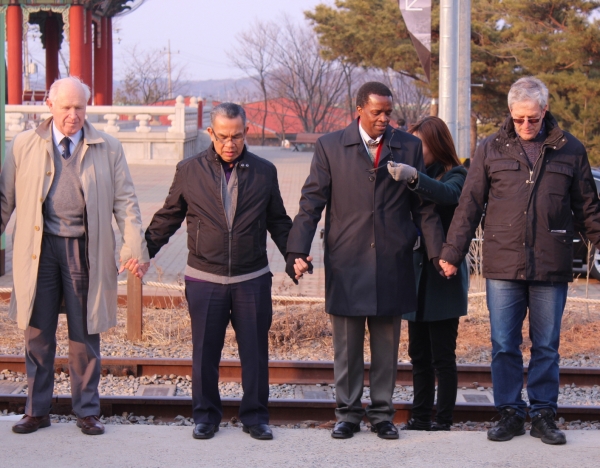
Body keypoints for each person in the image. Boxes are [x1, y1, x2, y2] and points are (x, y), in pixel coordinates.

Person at [439, 76, 600, 445]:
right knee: (504, 344)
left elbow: (588, 208)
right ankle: (509, 412)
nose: (526, 125)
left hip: (551, 263)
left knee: (546, 345)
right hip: (503, 264)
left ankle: (544, 413)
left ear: (545, 110)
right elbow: (469, 205)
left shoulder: (571, 150)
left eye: (532, 118)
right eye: (519, 118)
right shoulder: (490, 148)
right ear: (510, 114)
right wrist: (452, 252)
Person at [287, 82, 445, 440]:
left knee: (387, 346)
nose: (384, 119)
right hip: (348, 259)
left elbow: (425, 207)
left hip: (393, 259)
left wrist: (438, 253)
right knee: (347, 346)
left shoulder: (408, 145)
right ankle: (347, 413)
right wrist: (296, 250)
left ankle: (382, 414)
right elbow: (312, 201)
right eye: (377, 112)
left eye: (389, 113)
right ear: (358, 109)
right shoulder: (330, 146)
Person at [1, 76, 149, 436]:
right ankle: (37, 411)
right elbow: (5, 199)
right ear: (49, 106)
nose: (73, 115)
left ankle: (87, 410)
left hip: (85, 248)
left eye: (79, 107)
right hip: (39, 250)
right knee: (38, 332)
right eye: (65, 107)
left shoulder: (108, 147)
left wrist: (134, 247)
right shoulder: (23, 145)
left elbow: (126, 201)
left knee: (86, 333)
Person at [144, 103, 292, 441]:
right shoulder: (188, 170)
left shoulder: (264, 171)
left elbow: (279, 221)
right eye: (223, 136)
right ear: (211, 133)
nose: (230, 143)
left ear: (246, 132)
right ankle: (205, 416)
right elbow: (168, 217)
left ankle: (255, 417)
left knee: (254, 353)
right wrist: (144, 252)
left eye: (237, 136)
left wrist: (294, 255)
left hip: (251, 278)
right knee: (204, 353)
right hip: (204, 278)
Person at [388, 116, 468, 431]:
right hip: (416, 278)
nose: (415, 150)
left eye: (420, 144)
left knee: (443, 356)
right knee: (418, 355)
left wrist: (413, 178)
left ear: (436, 143)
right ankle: (421, 416)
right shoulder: (416, 174)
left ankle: (444, 419)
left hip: (442, 277)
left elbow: (446, 195)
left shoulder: (458, 173)